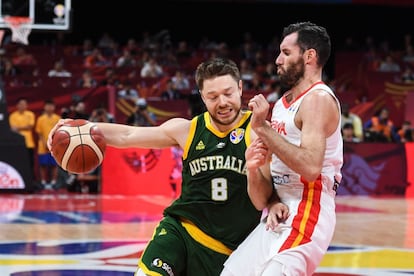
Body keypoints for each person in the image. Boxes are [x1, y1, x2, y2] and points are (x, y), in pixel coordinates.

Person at [47, 57, 284, 275]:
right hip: (180, 232)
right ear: (202, 96)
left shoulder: (256, 131)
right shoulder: (188, 130)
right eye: (213, 97)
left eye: (228, 93)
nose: (222, 102)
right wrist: (81, 128)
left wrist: (273, 202)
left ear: (241, 88)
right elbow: (128, 135)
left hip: (229, 251)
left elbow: (271, 187)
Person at [221, 21, 343, 276]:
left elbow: (310, 167)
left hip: (309, 210)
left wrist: (262, 128)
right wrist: (254, 171)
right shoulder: (280, 106)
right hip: (279, 213)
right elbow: (260, 200)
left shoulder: (318, 99)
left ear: (309, 56)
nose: (277, 60)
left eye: (286, 53)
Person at [35, 99, 61, 189]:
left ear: (54, 107)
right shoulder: (40, 119)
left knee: (54, 164)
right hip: (43, 146)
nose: (49, 108)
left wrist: (53, 143)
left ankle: (54, 182)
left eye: (51, 106)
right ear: (44, 107)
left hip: (55, 145)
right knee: (43, 165)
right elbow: (39, 133)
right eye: (48, 106)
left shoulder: (57, 118)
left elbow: (59, 132)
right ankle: (43, 182)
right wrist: (45, 143)